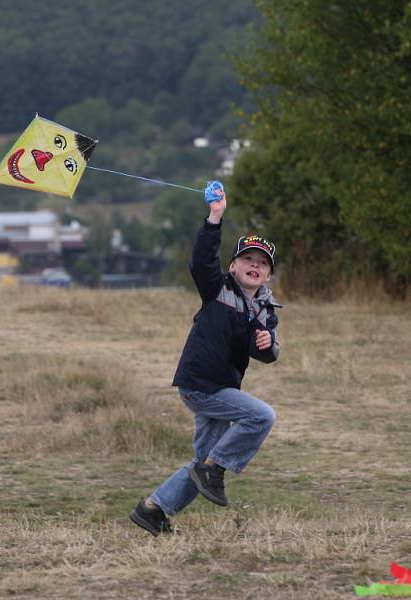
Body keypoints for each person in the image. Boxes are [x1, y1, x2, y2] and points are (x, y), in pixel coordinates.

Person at [129, 183, 281, 536]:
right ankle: (215, 470)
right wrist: (215, 218)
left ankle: (153, 510)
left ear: (269, 274)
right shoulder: (218, 288)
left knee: (203, 461)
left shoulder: (266, 310)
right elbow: (201, 260)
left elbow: (269, 353)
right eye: (248, 260)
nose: (254, 266)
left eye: (262, 263)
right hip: (200, 384)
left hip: (221, 387)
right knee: (261, 416)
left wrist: (266, 341)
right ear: (233, 265)